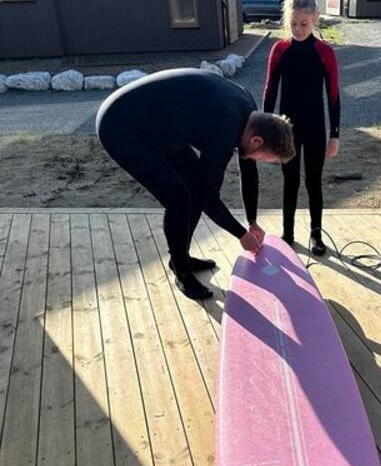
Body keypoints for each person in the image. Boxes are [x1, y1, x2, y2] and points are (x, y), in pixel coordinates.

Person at [96, 68, 295, 300]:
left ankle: (181, 256)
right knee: (179, 199)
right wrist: (241, 234)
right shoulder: (223, 129)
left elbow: (248, 170)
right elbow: (208, 197)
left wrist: (252, 221)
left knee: (193, 188)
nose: (255, 160)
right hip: (120, 126)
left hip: (160, 125)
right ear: (257, 140)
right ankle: (181, 271)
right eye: (261, 157)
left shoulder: (250, 115)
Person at [263, 0, 340, 255]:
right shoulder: (280, 49)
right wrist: (268, 129)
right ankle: (288, 233)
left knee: (313, 181)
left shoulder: (324, 52)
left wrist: (335, 134)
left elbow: (333, 95)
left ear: (315, 18)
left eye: (304, 24)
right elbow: (270, 91)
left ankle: (316, 235)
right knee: (290, 181)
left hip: (316, 128)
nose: (298, 29)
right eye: (294, 23)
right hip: (287, 130)